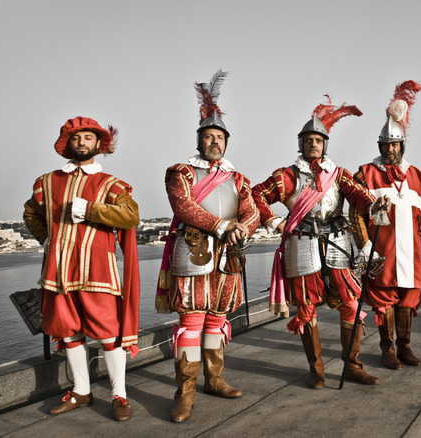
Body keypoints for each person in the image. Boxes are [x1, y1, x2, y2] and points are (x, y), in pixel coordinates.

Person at [252, 97, 391, 388]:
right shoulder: (286, 175)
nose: (313, 144)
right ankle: (316, 370)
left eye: (318, 140)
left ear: (325, 144)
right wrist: (272, 221)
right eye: (308, 140)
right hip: (301, 245)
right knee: (306, 310)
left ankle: (352, 366)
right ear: (300, 143)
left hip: (338, 244)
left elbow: (360, 197)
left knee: (351, 306)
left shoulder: (338, 175)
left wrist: (376, 207)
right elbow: (256, 195)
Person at [155, 68, 259, 423]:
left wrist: (241, 229)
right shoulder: (181, 172)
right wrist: (221, 225)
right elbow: (183, 206)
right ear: (199, 139)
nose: (215, 141)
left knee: (216, 321)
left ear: (226, 142)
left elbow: (253, 213)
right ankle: (184, 393)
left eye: (220, 137)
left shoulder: (238, 179)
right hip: (195, 252)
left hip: (228, 256)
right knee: (191, 323)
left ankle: (214, 380)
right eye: (209, 136)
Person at [23, 116, 140, 421]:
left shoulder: (110, 184)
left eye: (88, 138)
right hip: (59, 272)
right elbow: (30, 212)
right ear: (67, 144)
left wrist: (91, 210)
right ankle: (81, 391)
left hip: (98, 272)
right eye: (76, 138)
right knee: (69, 332)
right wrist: (46, 237)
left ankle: (119, 395)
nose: (82, 143)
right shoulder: (46, 182)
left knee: (109, 333)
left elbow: (130, 216)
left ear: (98, 144)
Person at [349, 81, 421, 370]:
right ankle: (387, 350)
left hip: (409, 254)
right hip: (382, 252)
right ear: (380, 145)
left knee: (406, 300)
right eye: (386, 145)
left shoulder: (416, 175)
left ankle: (404, 348)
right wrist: (364, 247)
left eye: (395, 144)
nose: (390, 149)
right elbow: (356, 215)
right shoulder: (365, 174)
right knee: (384, 301)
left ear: (402, 145)